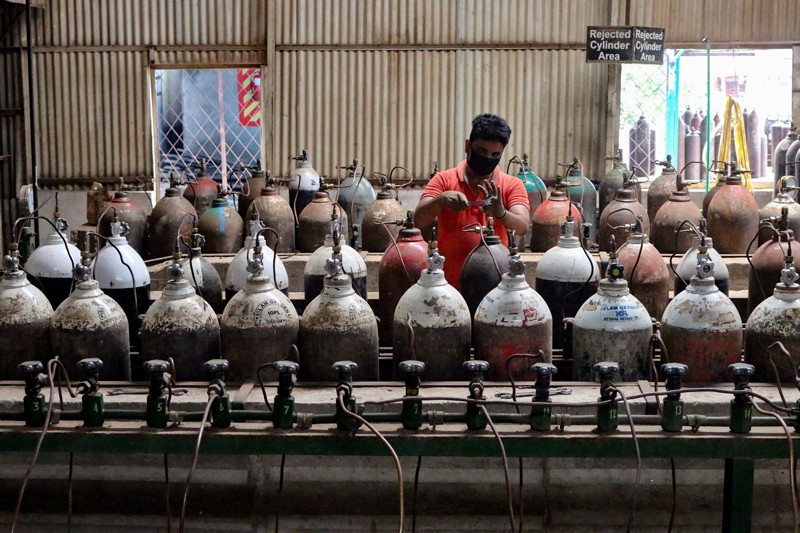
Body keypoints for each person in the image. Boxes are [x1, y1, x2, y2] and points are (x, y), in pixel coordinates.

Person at [414, 113, 530, 289]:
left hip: (496, 288)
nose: (487, 158)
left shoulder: (511, 185)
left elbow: (522, 226)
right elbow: (419, 220)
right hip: (450, 287)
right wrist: (440, 200)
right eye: (482, 151)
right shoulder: (443, 180)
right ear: (468, 146)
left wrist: (501, 213)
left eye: (495, 154)